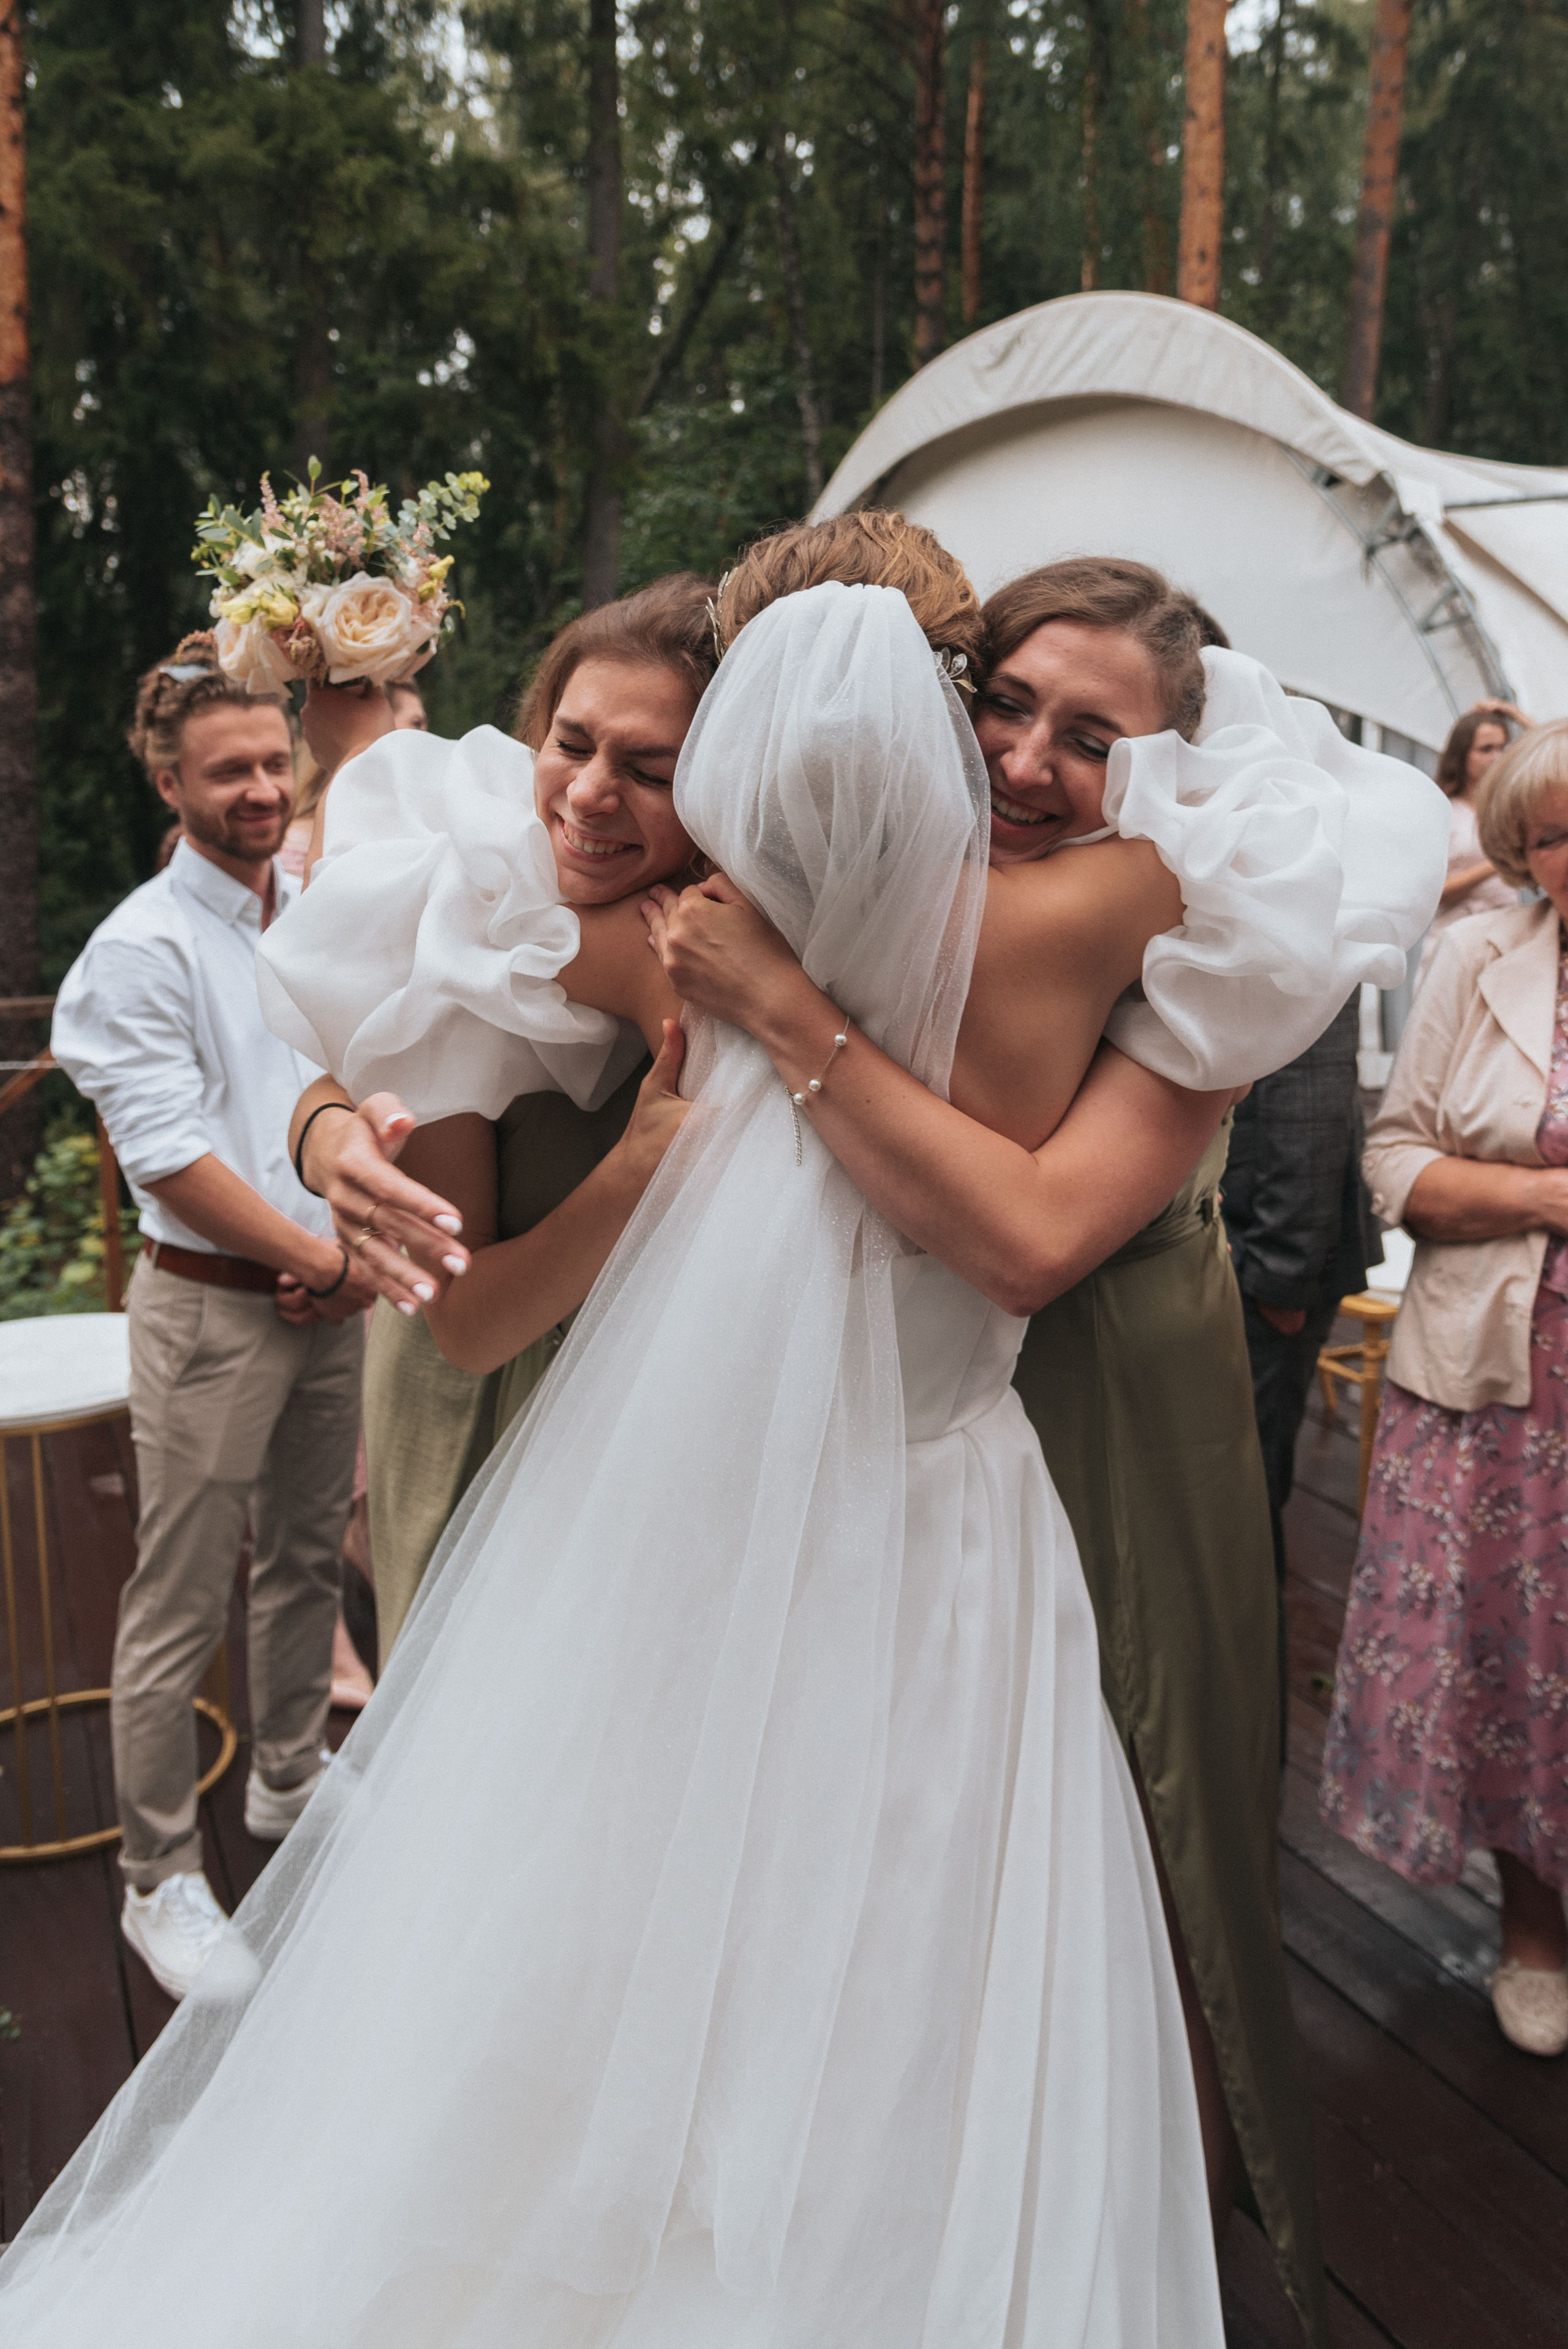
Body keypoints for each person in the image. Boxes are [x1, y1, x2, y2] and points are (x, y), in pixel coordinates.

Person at [0, 570, 1234, 2348]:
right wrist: (330, 1115)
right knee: (755, 1935)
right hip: (740, 1503)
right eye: (1006, 711)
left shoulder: (875, 937)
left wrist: (757, 1017)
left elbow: (1031, 1235)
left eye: (1089, 738)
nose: (1031, 760)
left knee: (856, 1934)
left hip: (877, 1507)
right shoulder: (746, 932)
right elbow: (402, 1020)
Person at [284, 574, 721, 1656]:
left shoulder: (723, 934)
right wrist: (631, 1172)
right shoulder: (465, 919)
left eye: (650, 770)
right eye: (571, 744)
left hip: (673, 1431)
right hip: (488, 1420)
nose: (587, 796)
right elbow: (465, 1323)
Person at [49, 634, 379, 2004]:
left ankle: (290, 1780)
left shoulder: (315, 898)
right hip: (209, 1313)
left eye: (270, 760)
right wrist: (316, 1246)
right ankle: (158, 1881)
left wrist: (347, 1253)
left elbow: (362, 1063)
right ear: (168, 784)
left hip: (329, 1288)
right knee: (178, 1599)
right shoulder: (136, 952)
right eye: (225, 768)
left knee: (308, 1559)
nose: (259, 786)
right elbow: (168, 1155)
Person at [1322, 717, 1568, 2061]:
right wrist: (1541, 1194)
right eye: (1550, 835)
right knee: (1526, 1663)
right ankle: (1533, 1931)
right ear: (1524, 855)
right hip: (1501, 1384)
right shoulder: (1476, 958)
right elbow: (1394, 1160)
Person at [1224, 995, 1380, 1604]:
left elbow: (1311, 1096)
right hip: (1247, 1241)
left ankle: (1253, 1671)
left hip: (1268, 1253)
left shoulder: (1305, 908)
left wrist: (1282, 1278)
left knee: (1247, 1494)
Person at [1415, 699, 1531, 983]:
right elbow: (1431, 893)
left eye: (1503, 748)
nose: (1497, 757)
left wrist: (1517, 716)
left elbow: (1557, 760)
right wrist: (1495, 865)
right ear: (1462, 754)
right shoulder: (1442, 811)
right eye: (1486, 749)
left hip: (1507, 938)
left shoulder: (1511, 807)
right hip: (1454, 943)